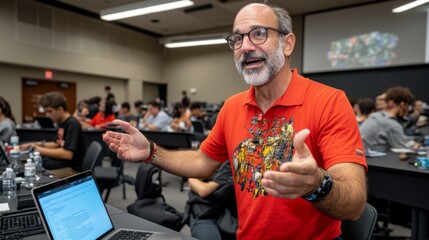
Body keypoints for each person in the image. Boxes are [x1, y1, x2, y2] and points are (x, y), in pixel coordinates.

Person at [103, 3, 367, 239]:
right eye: (237, 39)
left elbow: (354, 204)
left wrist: (316, 185)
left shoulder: (329, 101)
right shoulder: (232, 106)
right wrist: (150, 151)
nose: (246, 46)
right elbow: (203, 162)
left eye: (259, 33)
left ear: (287, 43)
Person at [20, 92, 86, 178]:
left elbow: (67, 154)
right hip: (64, 164)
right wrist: (35, 144)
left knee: (37, 176)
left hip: (72, 169)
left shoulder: (72, 124)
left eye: (49, 111)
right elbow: (57, 143)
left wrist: (37, 149)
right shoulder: (61, 122)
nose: (47, 115)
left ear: (59, 109)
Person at [185, 161, 237, 240]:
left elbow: (202, 189)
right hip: (205, 211)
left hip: (230, 214)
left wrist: (192, 179)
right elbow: (202, 188)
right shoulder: (214, 159)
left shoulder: (232, 163)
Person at [360, 86, 417, 153]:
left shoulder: (375, 116)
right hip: (373, 160)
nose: (407, 110)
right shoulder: (391, 123)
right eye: (407, 106)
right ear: (402, 104)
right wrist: (415, 146)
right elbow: (402, 149)